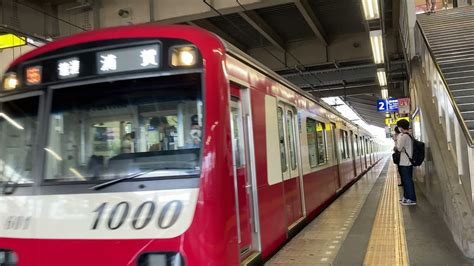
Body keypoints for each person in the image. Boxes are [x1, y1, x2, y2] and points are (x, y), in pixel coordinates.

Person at [395, 119, 416, 206]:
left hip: (405, 162)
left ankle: (411, 199)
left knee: (407, 181)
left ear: (401, 127)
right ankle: (407, 197)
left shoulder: (404, 136)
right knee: (407, 180)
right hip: (408, 162)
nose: (399, 129)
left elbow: (398, 148)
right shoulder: (409, 135)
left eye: (399, 127)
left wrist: (396, 143)